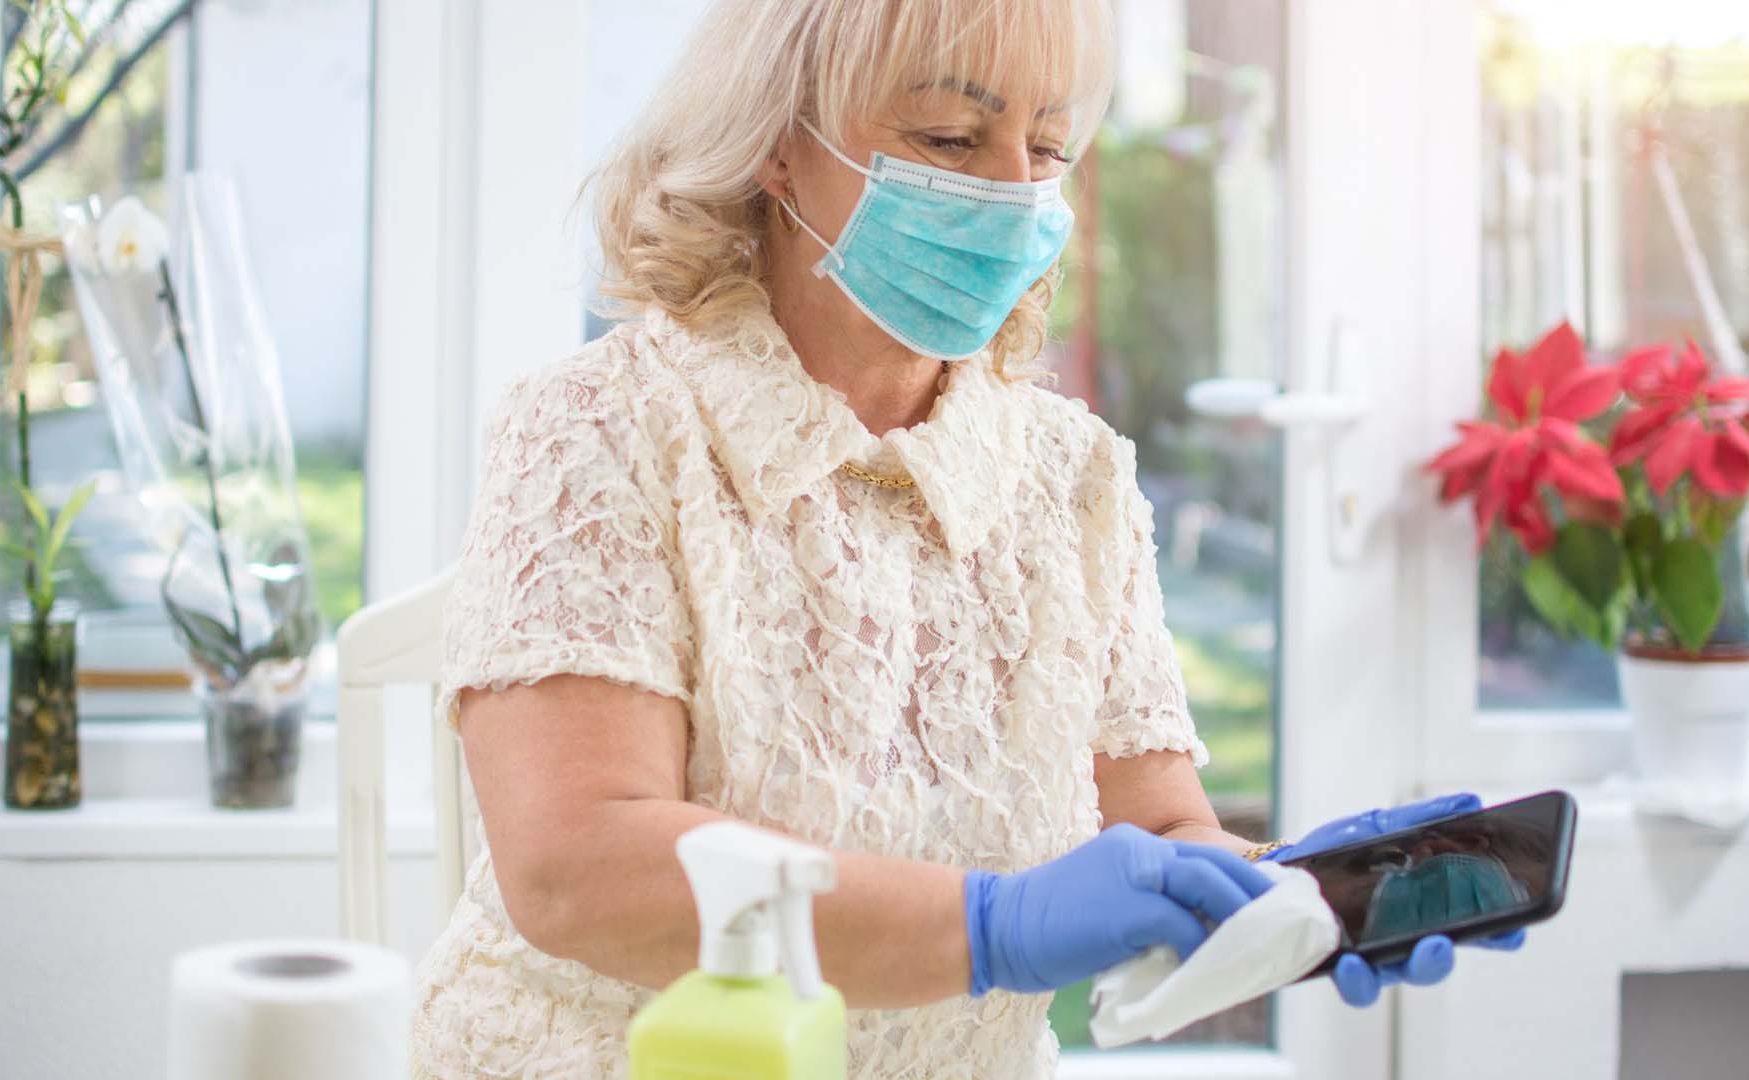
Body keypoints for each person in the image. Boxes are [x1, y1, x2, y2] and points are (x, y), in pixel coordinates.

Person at [408, 2, 1522, 1077]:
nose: (1013, 193)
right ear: (776, 145)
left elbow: (1162, 828)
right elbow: (576, 871)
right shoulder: (604, 428)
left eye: (1046, 147)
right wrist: (991, 926)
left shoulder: (1069, 478)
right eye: (949, 136)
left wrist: (1294, 901)